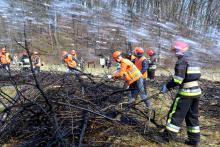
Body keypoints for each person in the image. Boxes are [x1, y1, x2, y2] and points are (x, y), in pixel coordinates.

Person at [160, 41, 201, 146]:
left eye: (176, 50)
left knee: (175, 114)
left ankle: (167, 137)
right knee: (192, 116)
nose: (175, 53)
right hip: (196, 91)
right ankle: (194, 140)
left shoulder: (182, 61)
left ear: (181, 49)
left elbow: (178, 79)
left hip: (186, 93)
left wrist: (167, 86)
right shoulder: (193, 59)